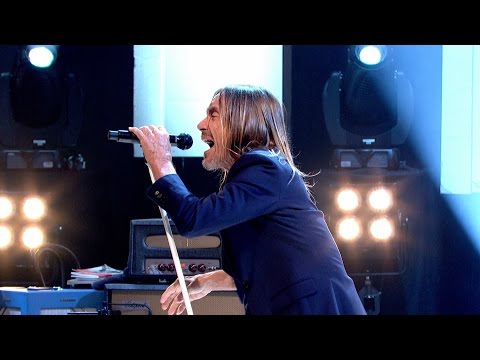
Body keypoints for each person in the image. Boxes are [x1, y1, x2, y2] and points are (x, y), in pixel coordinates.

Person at [128, 84, 366, 315]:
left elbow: (193, 218)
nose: (201, 125)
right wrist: (206, 281)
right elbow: (264, 267)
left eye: (213, 114)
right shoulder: (258, 177)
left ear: (242, 122)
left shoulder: (265, 168)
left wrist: (161, 161)